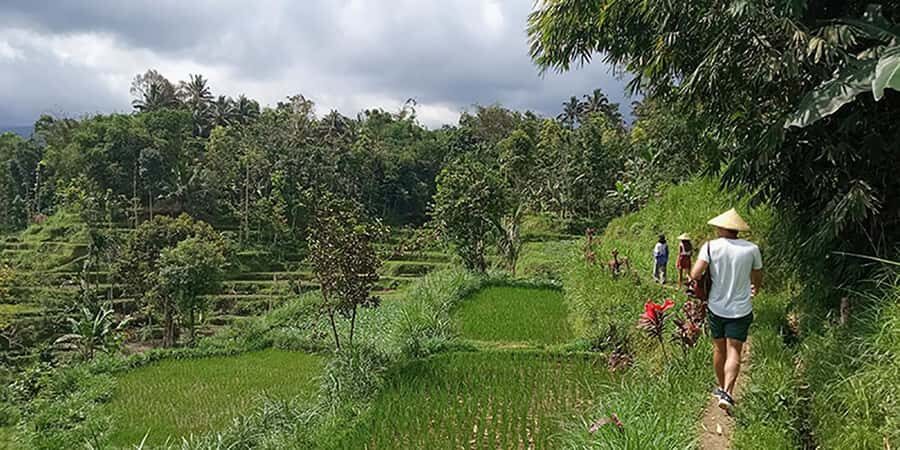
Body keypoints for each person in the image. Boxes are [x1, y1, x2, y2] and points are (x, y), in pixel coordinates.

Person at [690, 208, 762, 415]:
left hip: (716, 308)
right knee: (734, 350)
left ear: (722, 228)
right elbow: (757, 277)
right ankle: (728, 393)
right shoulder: (751, 249)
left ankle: (722, 389)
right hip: (741, 309)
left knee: (719, 349)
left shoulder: (710, 247)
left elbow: (695, 274)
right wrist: (755, 287)